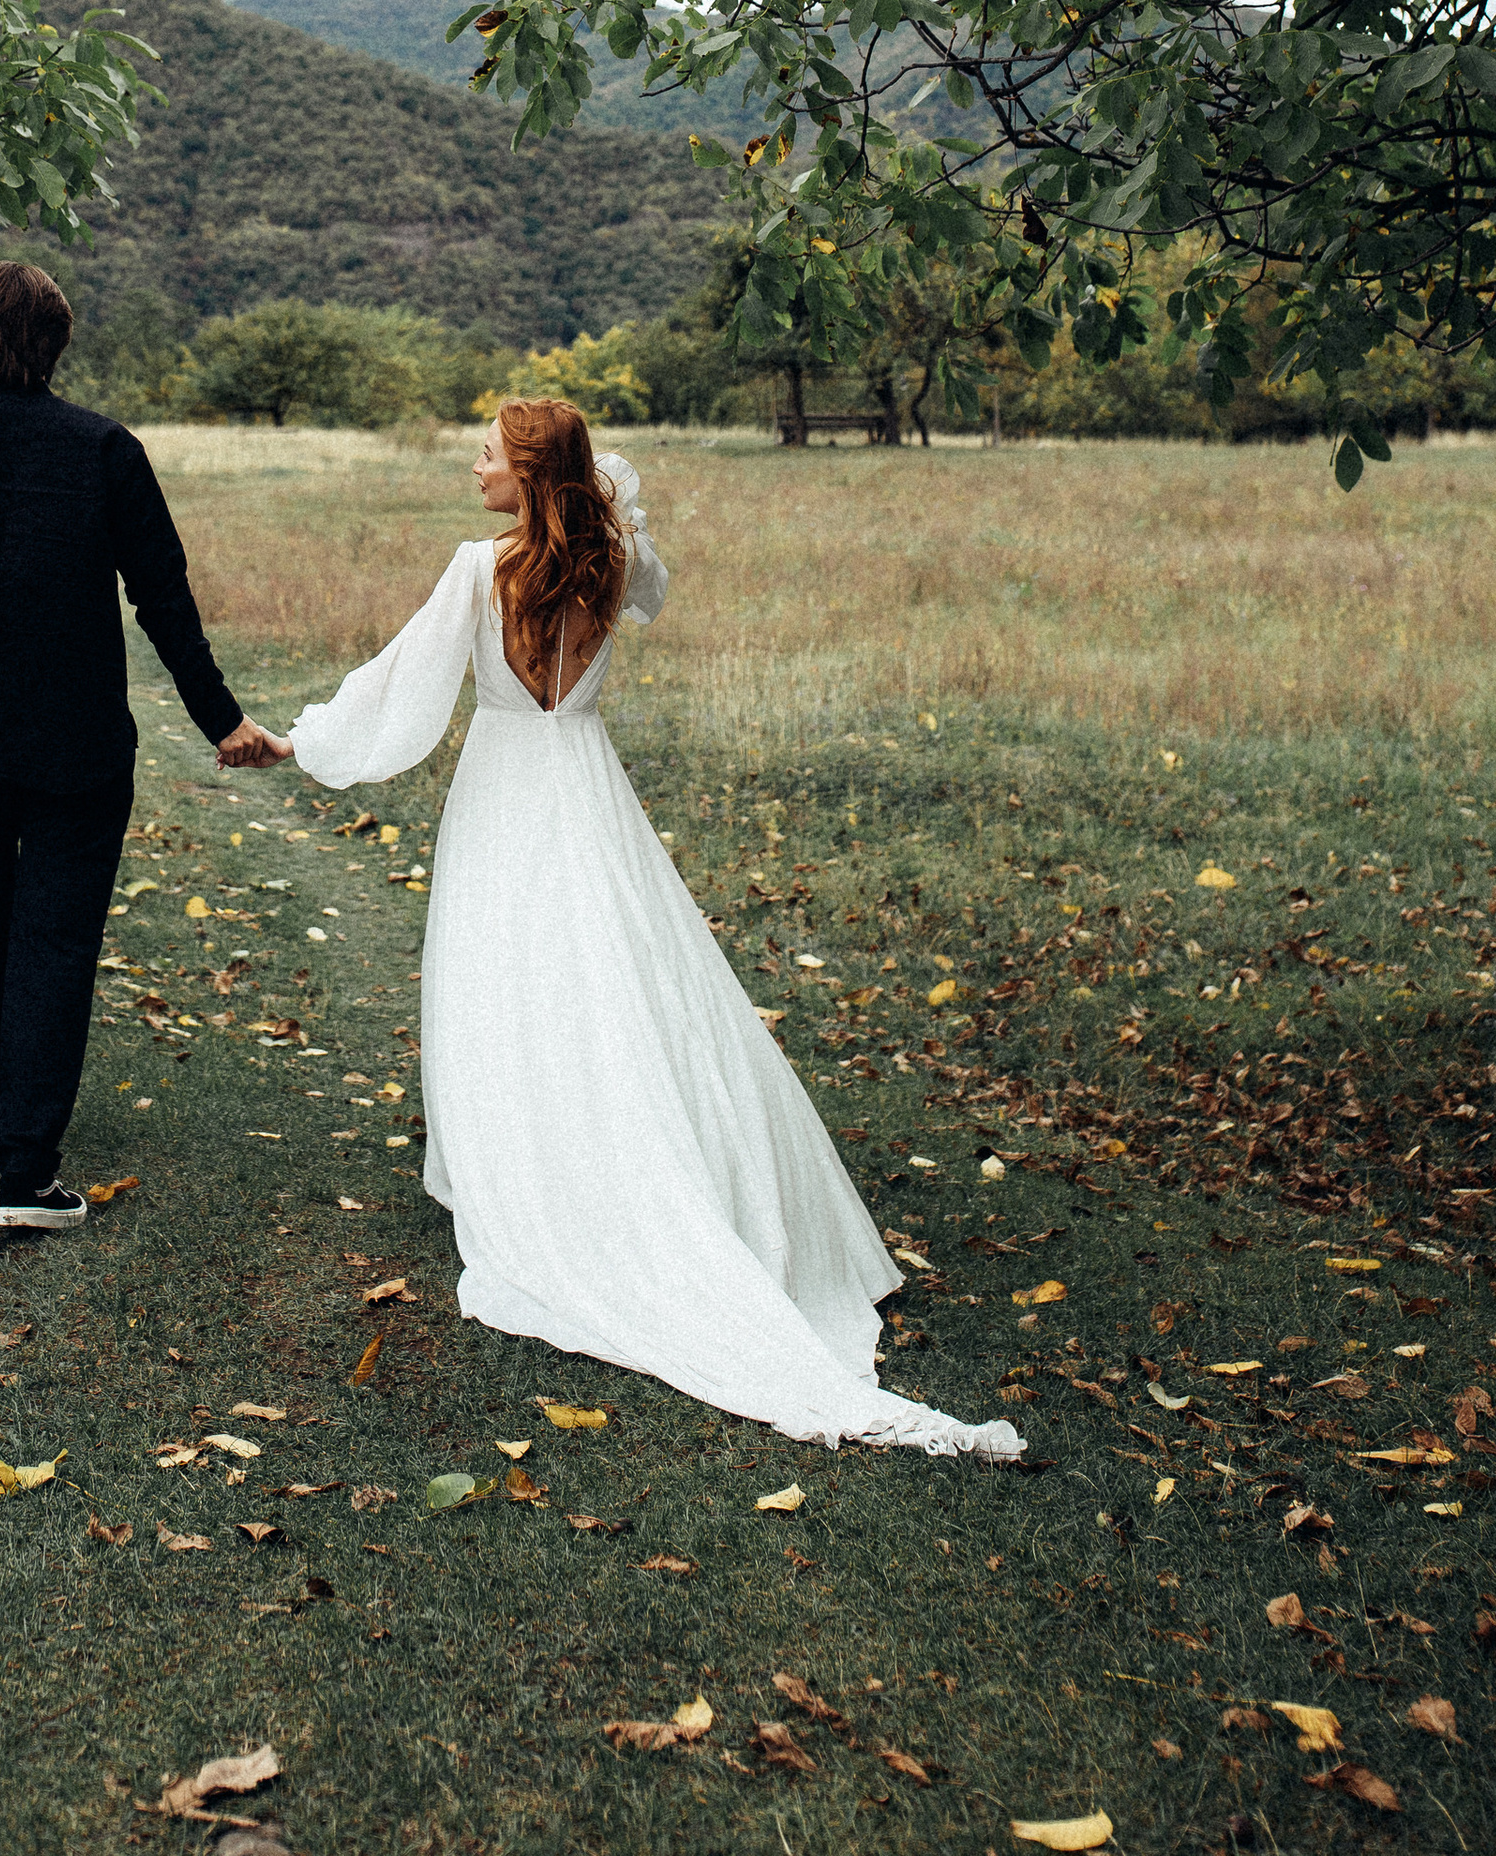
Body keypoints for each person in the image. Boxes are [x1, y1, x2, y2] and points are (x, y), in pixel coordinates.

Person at [286, 397, 1022, 1460]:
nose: (473, 469)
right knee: (614, 970)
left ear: (529, 475)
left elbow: (400, 687)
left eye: (488, 456)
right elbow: (653, 590)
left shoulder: (478, 569)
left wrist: (303, 741)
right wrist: (609, 509)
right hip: (584, 782)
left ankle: (537, 1165)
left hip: (504, 788)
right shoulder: (615, 562)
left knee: (504, 973)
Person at [0, 259, 289, 1234]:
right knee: (55, 938)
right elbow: (163, 602)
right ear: (58, 343)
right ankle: (25, 1165)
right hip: (80, 745)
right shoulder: (105, 451)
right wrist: (221, 719)